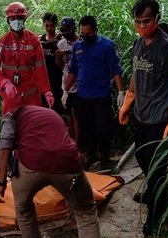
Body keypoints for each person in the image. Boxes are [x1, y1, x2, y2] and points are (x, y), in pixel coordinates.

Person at [0, 105, 101, 238]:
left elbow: (4, 149)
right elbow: (66, 138)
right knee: (86, 213)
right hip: (67, 166)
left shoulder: (11, 116)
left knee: (23, 207)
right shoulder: (51, 113)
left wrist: (1, 183)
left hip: (31, 167)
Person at [118, 0, 168, 236]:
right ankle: (154, 192)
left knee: (157, 169)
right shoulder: (138, 43)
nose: (141, 26)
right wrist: (128, 101)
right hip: (142, 115)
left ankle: (155, 215)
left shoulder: (167, 46)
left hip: (160, 117)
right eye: (137, 22)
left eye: (146, 21)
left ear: (156, 18)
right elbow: (137, 72)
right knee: (141, 155)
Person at [63, 15, 124, 170]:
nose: (85, 37)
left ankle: (104, 158)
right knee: (86, 127)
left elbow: (116, 70)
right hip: (83, 96)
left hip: (101, 96)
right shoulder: (77, 47)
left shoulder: (107, 46)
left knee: (103, 128)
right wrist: (65, 91)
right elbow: (72, 71)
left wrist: (121, 91)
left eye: (88, 34)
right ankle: (90, 155)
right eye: (82, 34)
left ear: (96, 30)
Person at [0, 2, 54, 116]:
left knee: (33, 129)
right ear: (8, 20)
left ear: (24, 19)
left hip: (32, 98)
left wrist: (47, 91)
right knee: (11, 129)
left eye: (19, 18)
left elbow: (41, 68)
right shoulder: (2, 42)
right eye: (13, 18)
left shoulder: (34, 40)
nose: (16, 21)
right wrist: (5, 82)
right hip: (11, 99)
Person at [55, 16, 80, 142]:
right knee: (69, 113)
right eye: (63, 31)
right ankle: (73, 140)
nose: (65, 34)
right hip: (66, 84)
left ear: (74, 29)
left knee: (78, 114)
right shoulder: (61, 43)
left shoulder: (80, 42)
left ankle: (81, 142)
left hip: (80, 84)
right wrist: (59, 57)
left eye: (68, 31)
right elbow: (60, 66)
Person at [39, 12, 64, 115]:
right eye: (47, 25)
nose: (49, 28)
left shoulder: (61, 40)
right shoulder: (40, 39)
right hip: (43, 81)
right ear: (43, 24)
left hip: (57, 81)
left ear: (56, 25)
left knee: (56, 110)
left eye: (52, 25)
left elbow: (63, 66)